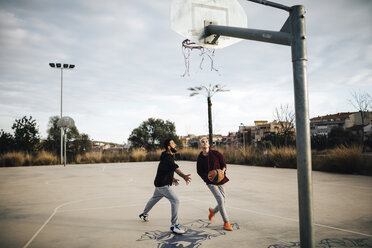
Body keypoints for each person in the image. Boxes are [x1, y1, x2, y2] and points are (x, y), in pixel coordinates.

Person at [139, 139, 191, 234]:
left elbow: (165, 169)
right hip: (163, 185)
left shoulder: (165, 156)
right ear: (168, 147)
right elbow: (176, 169)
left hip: (159, 183)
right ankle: (174, 225)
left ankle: (144, 214)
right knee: (175, 200)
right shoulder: (168, 157)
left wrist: (172, 178)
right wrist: (184, 176)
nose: (175, 145)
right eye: (173, 143)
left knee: (154, 198)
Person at [196, 137, 233, 231]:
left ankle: (212, 212)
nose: (204, 143)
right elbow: (199, 171)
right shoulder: (200, 158)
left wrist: (222, 172)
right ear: (201, 145)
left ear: (208, 144)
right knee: (220, 199)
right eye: (202, 142)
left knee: (223, 201)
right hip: (210, 182)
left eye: (206, 142)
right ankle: (226, 222)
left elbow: (223, 164)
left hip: (220, 179)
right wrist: (207, 177)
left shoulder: (216, 154)